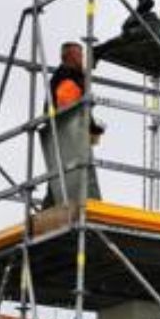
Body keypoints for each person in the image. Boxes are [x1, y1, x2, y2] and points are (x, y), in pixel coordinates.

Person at [42, 42, 104, 207]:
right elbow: (70, 109)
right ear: (68, 57)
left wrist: (91, 126)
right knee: (70, 172)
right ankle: (81, 206)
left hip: (64, 133)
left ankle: (51, 207)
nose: (81, 59)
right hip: (67, 133)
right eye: (78, 55)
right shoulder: (67, 78)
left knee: (63, 173)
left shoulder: (70, 77)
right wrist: (87, 127)